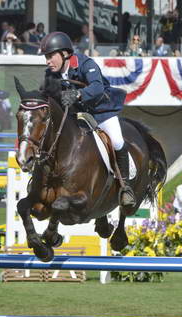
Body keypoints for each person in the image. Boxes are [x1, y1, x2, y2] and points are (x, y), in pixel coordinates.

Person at [39, 31, 135, 211]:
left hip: (101, 112)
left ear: (65, 54)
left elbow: (97, 87)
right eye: (46, 57)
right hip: (76, 116)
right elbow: (47, 95)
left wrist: (77, 94)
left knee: (117, 140)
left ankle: (125, 187)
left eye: (50, 56)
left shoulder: (85, 64)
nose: (47, 61)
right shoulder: (50, 74)